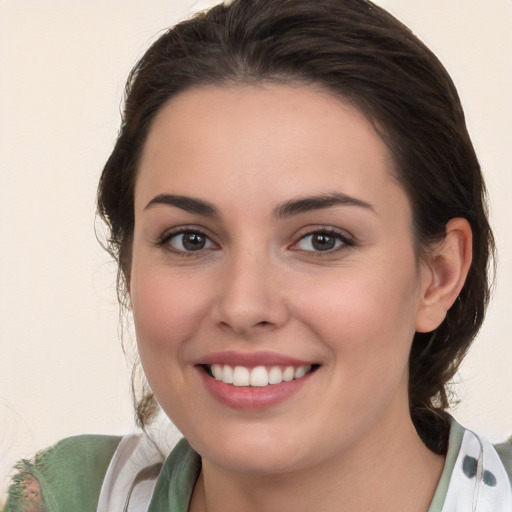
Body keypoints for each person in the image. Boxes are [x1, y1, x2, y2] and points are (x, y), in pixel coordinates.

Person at [4, 0, 512, 510]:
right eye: (190, 239)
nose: (244, 306)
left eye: (322, 240)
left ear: (439, 275)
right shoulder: (66, 498)